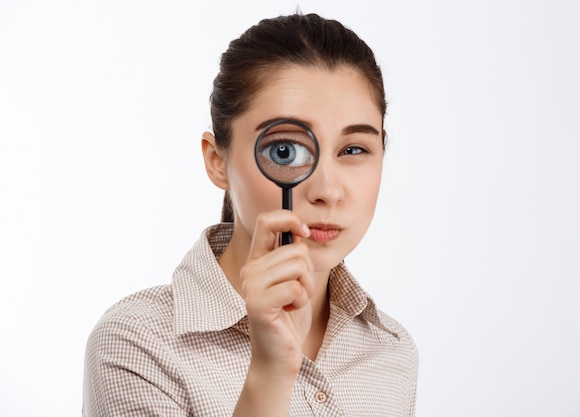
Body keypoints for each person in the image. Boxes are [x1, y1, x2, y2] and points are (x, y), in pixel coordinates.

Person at [83, 12, 418, 417]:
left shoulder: (391, 351)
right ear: (217, 161)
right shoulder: (137, 343)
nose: (328, 190)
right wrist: (269, 374)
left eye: (353, 150)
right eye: (285, 151)